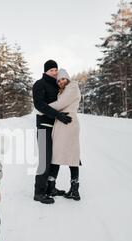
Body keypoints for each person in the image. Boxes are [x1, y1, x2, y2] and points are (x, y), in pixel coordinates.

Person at [33, 60, 72, 204]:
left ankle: (51, 188)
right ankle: (39, 192)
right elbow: (39, 104)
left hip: (57, 127)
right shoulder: (39, 84)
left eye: (56, 70)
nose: (55, 73)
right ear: (45, 72)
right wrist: (57, 115)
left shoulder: (58, 86)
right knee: (45, 159)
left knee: (55, 159)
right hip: (44, 126)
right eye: (51, 70)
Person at [49, 69, 82, 200]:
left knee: (71, 156)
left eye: (63, 79)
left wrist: (42, 108)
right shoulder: (63, 91)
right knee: (57, 154)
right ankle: (52, 186)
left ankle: (74, 189)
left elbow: (60, 104)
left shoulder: (72, 88)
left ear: (67, 79)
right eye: (59, 80)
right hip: (61, 125)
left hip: (69, 124)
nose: (61, 81)